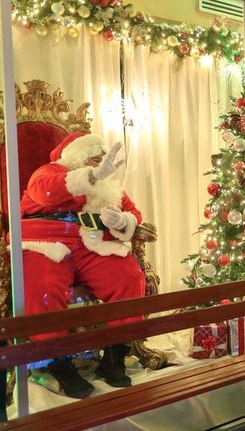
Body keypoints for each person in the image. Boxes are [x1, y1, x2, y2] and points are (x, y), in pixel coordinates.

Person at [20, 132, 146, 399]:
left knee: (129, 278)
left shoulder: (109, 186)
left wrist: (122, 221)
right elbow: (45, 192)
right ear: (77, 157)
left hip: (91, 243)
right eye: (94, 157)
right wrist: (91, 176)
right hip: (46, 240)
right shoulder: (50, 171)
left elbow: (134, 212)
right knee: (43, 287)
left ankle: (115, 353)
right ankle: (57, 362)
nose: (101, 161)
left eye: (103, 157)